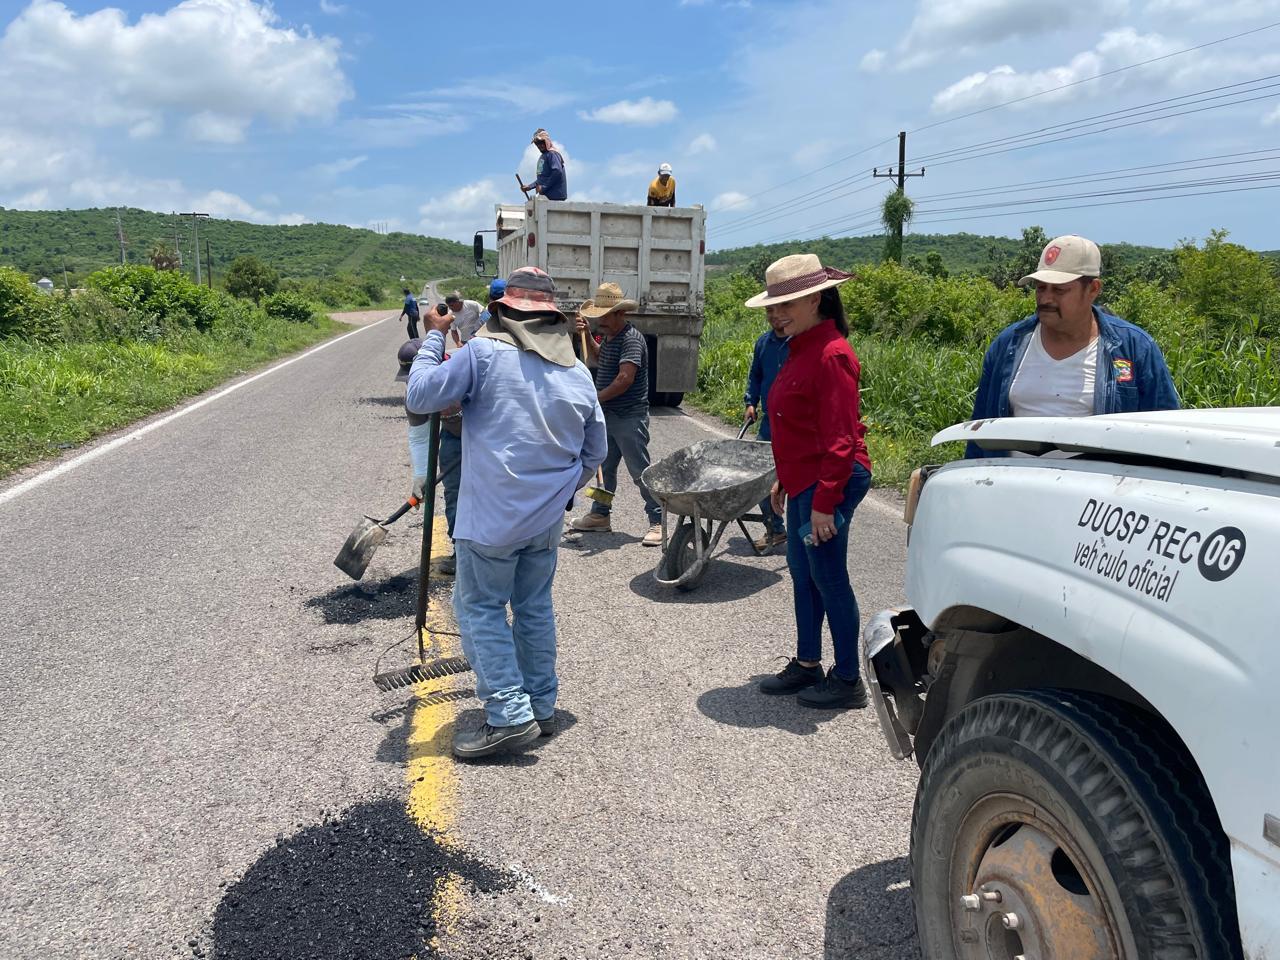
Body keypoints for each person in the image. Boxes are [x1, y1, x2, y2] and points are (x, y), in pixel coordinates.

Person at [406, 267, 606, 759]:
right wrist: (560, 493)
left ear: (504, 312)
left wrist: (434, 336)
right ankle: (541, 705)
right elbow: (595, 452)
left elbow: (420, 394)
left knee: (479, 608)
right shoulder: (578, 372)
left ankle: (509, 714)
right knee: (534, 606)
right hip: (546, 522)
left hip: (490, 521)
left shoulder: (482, 354)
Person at [746, 254, 873, 710]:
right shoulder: (798, 347)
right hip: (805, 479)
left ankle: (848, 680)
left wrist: (824, 502)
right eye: (772, 306)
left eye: (787, 304)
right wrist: (785, 478)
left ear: (815, 299)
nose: (776, 314)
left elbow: (841, 439)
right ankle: (807, 664)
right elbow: (797, 425)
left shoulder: (832, 354)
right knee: (803, 574)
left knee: (828, 577)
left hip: (830, 480)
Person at [966, 234, 1179, 458]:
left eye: (1059, 290)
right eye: (1040, 288)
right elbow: (980, 432)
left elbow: (1165, 436)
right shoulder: (1008, 345)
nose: (1046, 299)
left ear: (1093, 289)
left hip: (1098, 480)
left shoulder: (1134, 349)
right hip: (1013, 479)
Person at [570, 282, 663, 547]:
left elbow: (624, 379)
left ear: (620, 313)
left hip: (629, 417)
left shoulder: (631, 339)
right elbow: (599, 358)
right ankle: (600, 515)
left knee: (639, 470)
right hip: (608, 415)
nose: (600, 320)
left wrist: (595, 399)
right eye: (597, 316)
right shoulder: (610, 337)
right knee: (604, 469)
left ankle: (658, 520)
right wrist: (587, 335)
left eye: (604, 316)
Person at [398, 337, 463, 575]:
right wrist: (421, 475)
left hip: (488, 436)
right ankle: (462, 553)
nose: (412, 383)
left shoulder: (464, 370)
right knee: (455, 493)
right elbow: (419, 436)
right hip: (454, 436)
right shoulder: (413, 397)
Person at [743, 306, 790, 551]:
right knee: (763, 479)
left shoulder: (800, 344)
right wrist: (751, 402)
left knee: (797, 482)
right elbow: (756, 375)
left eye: (779, 310)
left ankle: (807, 535)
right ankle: (776, 529)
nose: (774, 316)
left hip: (797, 427)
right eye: (769, 311)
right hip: (770, 424)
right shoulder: (764, 343)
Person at [530, 129, 568, 201]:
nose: (539, 145)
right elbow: (542, 179)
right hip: (546, 198)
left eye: (541, 142)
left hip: (555, 197)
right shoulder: (543, 156)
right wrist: (529, 187)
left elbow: (557, 172)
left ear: (547, 141)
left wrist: (543, 187)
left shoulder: (552, 154)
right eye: (537, 143)